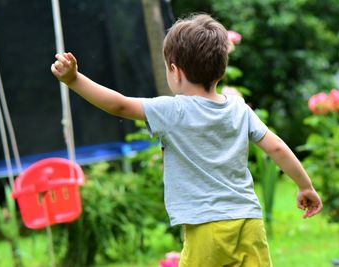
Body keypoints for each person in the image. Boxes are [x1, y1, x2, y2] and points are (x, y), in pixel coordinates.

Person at [51, 13, 322, 267]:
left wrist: (74, 79)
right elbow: (275, 146)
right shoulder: (239, 108)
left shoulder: (174, 110)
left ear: (175, 71)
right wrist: (304, 186)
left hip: (206, 226)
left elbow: (119, 106)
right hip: (249, 221)